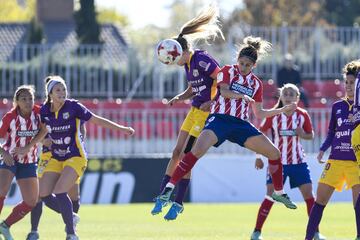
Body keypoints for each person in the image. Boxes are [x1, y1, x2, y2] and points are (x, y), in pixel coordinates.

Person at [157, 36, 299, 214]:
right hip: (220, 119)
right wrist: (240, 96)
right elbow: (223, 91)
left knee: (274, 153)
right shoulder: (227, 71)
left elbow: (260, 113)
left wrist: (282, 109)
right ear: (237, 60)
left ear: (254, 66)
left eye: (248, 65)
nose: (244, 67)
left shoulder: (256, 84)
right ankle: (169, 188)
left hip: (240, 125)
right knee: (195, 152)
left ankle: (279, 192)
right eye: (241, 63)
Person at [15, 76, 135, 240]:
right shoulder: (44, 110)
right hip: (56, 157)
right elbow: (43, 131)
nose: (62, 92)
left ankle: (71, 233)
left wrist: (121, 128)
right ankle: (69, 217)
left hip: (76, 156)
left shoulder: (74, 106)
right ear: (50, 94)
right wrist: (29, 147)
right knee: (43, 194)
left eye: (64, 89)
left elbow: (97, 120)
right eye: (58, 90)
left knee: (61, 191)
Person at [151, 4, 224, 221]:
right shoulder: (187, 64)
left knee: (186, 157)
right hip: (194, 111)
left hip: (204, 114)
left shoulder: (201, 59)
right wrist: (179, 97)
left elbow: (221, 79)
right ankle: (162, 195)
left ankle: (178, 202)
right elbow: (194, 88)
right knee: (176, 152)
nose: (173, 63)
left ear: (181, 52)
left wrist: (212, 102)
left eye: (174, 58)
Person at [250, 83, 325, 240]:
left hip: (298, 162)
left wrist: (302, 134)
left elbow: (310, 135)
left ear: (297, 98)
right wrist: (258, 156)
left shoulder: (302, 114)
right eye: (286, 94)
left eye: (292, 94)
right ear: (281, 97)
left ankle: (316, 233)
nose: (289, 96)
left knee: (309, 196)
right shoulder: (274, 115)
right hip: (278, 163)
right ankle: (256, 232)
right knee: (270, 195)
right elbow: (260, 135)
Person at [306, 61, 360, 240]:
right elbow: (331, 132)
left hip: (355, 162)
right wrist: (323, 149)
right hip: (335, 160)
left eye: (352, 83)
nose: (349, 86)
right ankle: (308, 237)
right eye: (347, 82)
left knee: (357, 204)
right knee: (319, 201)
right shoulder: (337, 106)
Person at [26, 127, 85, 240]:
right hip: (48, 155)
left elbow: (82, 127)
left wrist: (80, 143)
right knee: (39, 193)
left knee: (73, 194)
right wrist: (43, 141)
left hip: (70, 155)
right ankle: (34, 231)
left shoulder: (73, 110)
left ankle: (71, 229)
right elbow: (33, 130)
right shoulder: (42, 111)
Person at [0, 85, 41, 240]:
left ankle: (4, 226)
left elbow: (44, 130)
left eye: (30, 98)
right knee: (1, 191)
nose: (28, 102)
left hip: (29, 162)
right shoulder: (10, 117)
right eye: (23, 99)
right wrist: (4, 153)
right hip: (10, 160)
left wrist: (30, 146)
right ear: (16, 101)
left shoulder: (38, 113)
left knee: (31, 201)